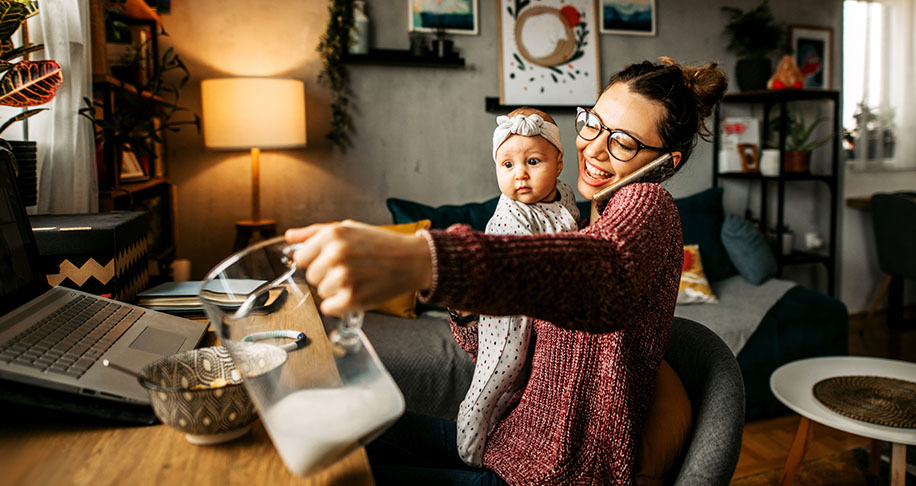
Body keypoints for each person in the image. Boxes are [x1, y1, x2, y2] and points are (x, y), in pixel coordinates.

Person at [286, 57, 728, 485]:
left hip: (559, 475)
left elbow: (605, 276)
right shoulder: (571, 216)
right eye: (593, 123)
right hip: (506, 440)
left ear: (666, 162)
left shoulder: (649, 208)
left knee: (337, 478)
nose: (592, 148)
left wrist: (426, 261)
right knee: (332, 428)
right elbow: (502, 349)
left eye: (623, 142)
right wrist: (464, 307)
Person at [458, 107, 579, 467]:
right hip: (508, 311)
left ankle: (499, 442)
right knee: (500, 370)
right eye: (507, 165)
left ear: (558, 165)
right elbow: (531, 268)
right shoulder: (512, 215)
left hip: (541, 310)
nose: (520, 175)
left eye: (533, 161)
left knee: (520, 384)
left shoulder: (566, 196)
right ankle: (470, 450)